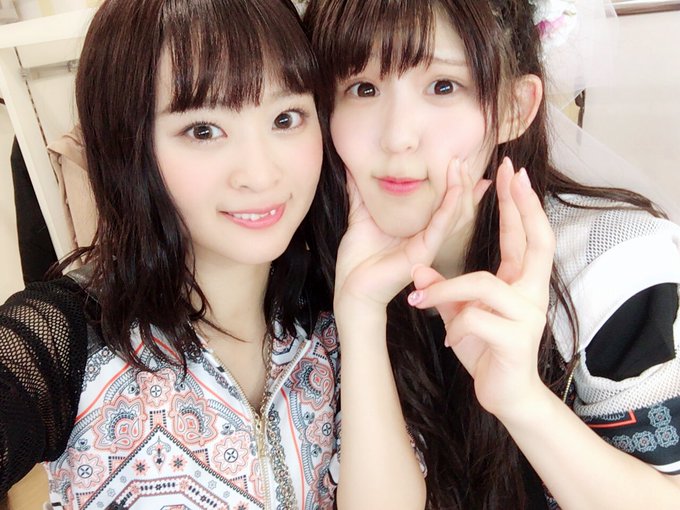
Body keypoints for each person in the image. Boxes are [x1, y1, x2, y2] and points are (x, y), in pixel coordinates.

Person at [305, 0, 680, 508]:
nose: (396, 138)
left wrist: (522, 399)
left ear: (514, 108)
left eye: (443, 86)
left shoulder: (609, 265)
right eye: (363, 88)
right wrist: (361, 316)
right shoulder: (311, 266)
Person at [0, 0, 349, 507]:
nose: (260, 174)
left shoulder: (335, 314)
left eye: (285, 117)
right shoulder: (71, 337)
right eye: (203, 130)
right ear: (129, 145)